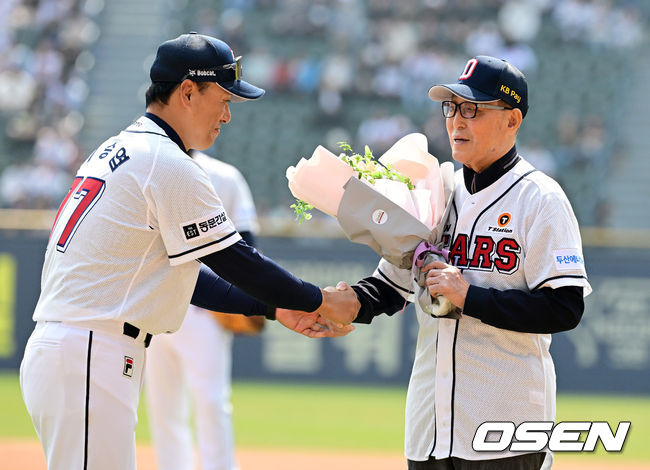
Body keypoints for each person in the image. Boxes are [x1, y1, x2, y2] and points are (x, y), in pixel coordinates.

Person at [19, 32, 357, 470]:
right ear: (187, 92)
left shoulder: (122, 147)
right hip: (89, 350)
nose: (228, 115)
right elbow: (236, 260)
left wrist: (278, 309)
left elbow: (191, 280)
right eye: (224, 99)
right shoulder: (167, 161)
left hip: (81, 349)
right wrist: (318, 300)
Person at [321, 56, 592, 469]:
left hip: (505, 430)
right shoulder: (433, 190)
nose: (457, 121)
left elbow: (565, 307)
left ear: (512, 120)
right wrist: (341, 303)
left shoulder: (540, 199)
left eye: (474, 109)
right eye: (452, 107)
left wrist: (470, 297)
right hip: (429, 427)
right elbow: (390, 286)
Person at [145, 150, 259, 470]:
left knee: (211, 402)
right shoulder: (147, 167)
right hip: (155, 310)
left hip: (204, 314)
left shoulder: (224, 176)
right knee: (163, 407)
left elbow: (248, 246)